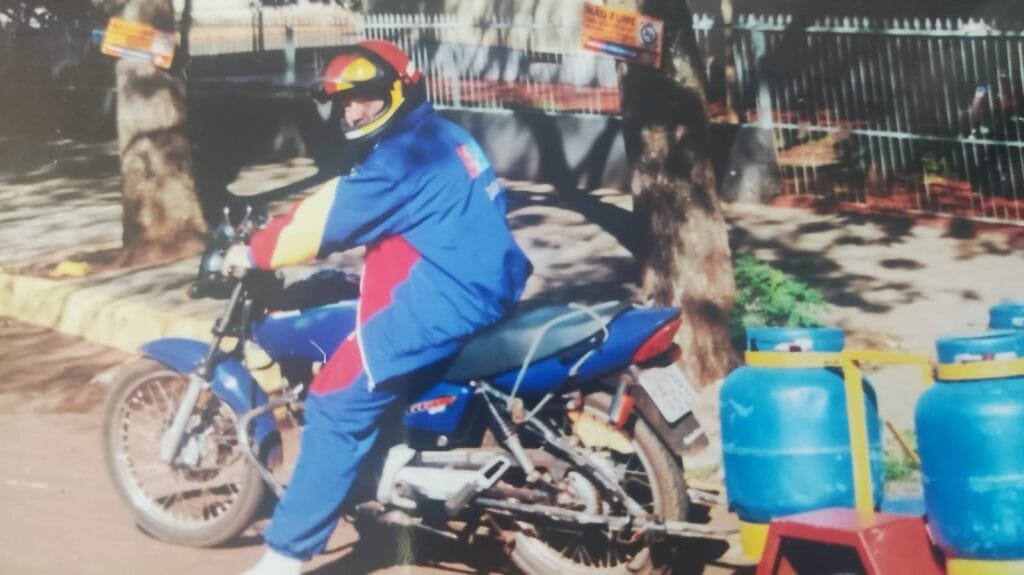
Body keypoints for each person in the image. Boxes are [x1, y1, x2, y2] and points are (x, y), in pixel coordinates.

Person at [224, 40, 532, 575]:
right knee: (357, 334)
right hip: (490, 279)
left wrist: (252, 253)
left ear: (399, 92)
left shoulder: (398, 160)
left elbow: (326, 222)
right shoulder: (447, 136)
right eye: (345, 102)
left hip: (444, 300)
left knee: (335, 400)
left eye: (365, 98)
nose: (353, 112)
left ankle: (284, 555)